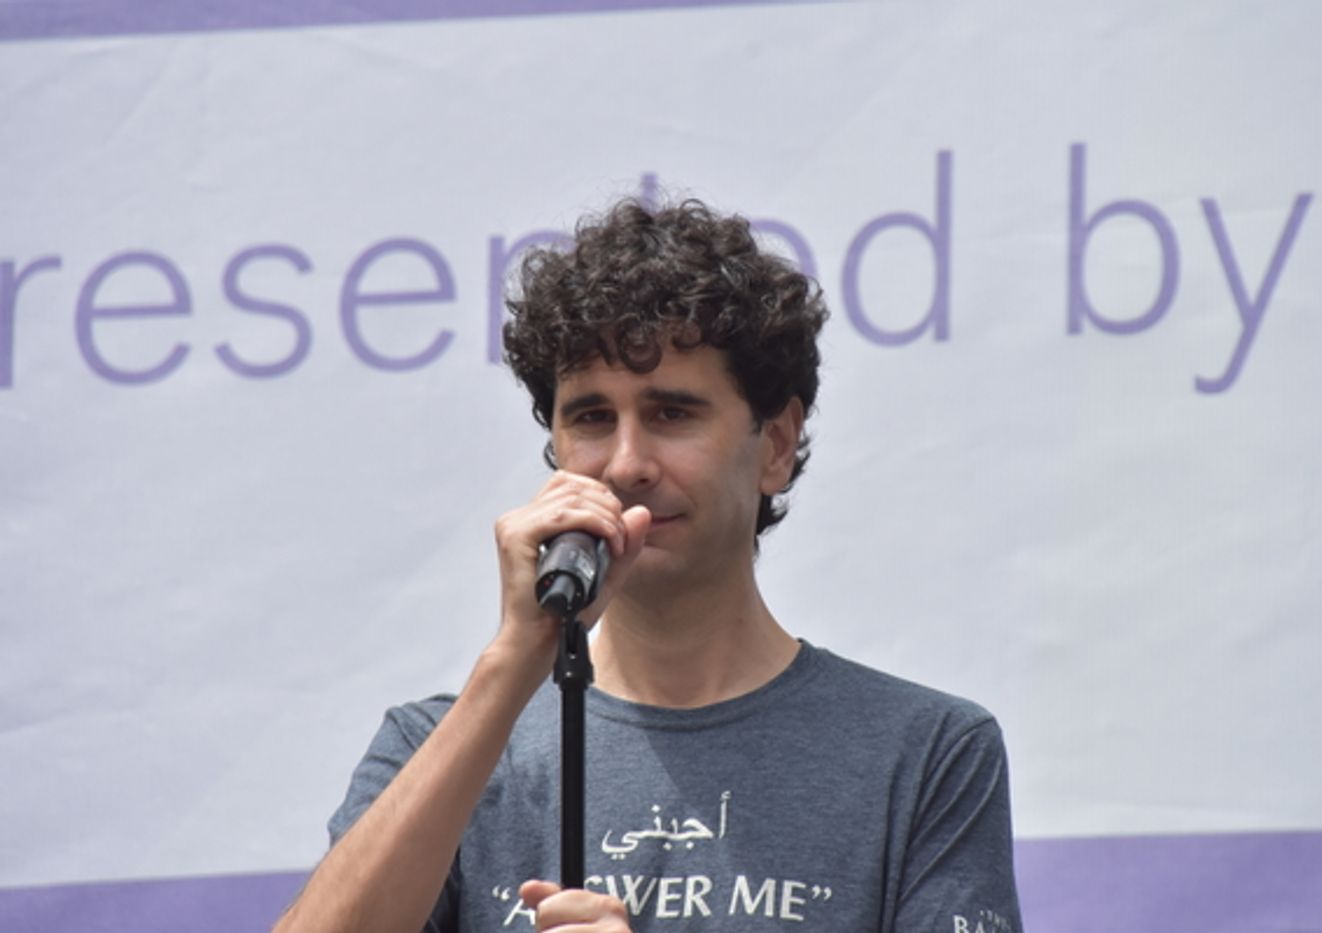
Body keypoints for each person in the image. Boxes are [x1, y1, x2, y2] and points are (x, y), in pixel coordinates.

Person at [276, 198, 1021, 933]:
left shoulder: (926, 750)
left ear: (776, 444)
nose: (627, 464)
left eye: (672, 413)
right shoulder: (438, 745)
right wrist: (514, 662)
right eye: (593, 417)